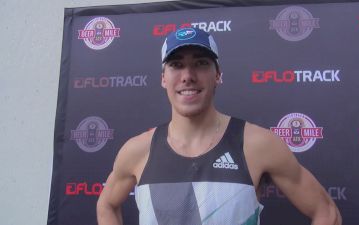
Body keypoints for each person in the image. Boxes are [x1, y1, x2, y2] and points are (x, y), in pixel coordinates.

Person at [97, 27, 342, 225]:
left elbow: (326, 212)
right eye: (176, 65)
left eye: (201, 63)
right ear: (163, 78)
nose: (187, 76)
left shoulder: (257, 145)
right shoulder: (138, 150)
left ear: (218, 75)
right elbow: (106, 205)